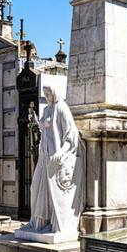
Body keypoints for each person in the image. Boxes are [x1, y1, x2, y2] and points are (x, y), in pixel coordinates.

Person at [21, 84, 84, 235]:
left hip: (56, 156)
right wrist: (37, 121)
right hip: (45, 156)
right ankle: (37, 222)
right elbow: (43, 126)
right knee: (35, 187)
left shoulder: (62, 108)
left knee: (52, 192)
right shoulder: (47, 109)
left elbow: (70, 135)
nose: (47, 95)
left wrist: (62, 152)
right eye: (45, 93)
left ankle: (53, 224)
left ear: (55, 92)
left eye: (49, 93)